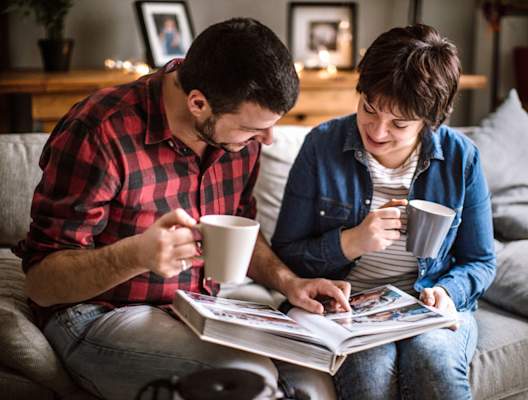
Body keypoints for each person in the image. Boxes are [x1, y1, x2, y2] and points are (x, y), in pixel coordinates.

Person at [14, 18, 350, 400]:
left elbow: (242, 232)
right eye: (253, 128)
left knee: (314, 380)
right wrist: (137, 254)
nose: (268, 139)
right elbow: (41, 284)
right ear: (198, 103)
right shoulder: (101, 130)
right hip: (97, 315)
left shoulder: (240, 142)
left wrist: (291, 283)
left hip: (202, 310)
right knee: (247, 379)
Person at [271, 24, 496, 400]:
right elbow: (286, 254)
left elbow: (481, 261)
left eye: (399, 123)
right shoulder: (322, 146)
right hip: (349, 309)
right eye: (369, 109)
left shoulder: (461, 158)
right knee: (369, 370)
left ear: (430, 119)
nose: (376, 130)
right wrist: (351, 242)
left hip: (427, 307)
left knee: (432, 357)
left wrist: (446, 292)